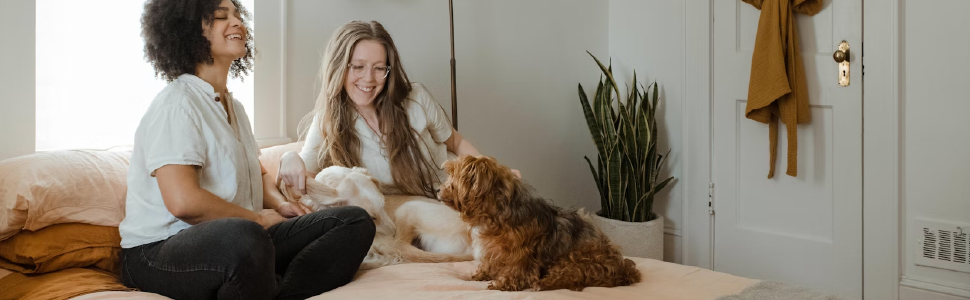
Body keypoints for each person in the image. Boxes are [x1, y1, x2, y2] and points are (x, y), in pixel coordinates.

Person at [118, 1, 375, 299]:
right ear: (189, 29)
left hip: (242, 240)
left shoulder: (234, 107)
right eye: (220, 16)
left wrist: (279, 205)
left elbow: (259, 171)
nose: (237, 22)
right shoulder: (177, 104)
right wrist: (258, 219)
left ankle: (277, 290)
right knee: (246, 238)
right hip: (158, 251)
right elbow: (183, 202)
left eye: (238, 14)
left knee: (353, 221)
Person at [278, 20, 519, 198]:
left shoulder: (416, 98)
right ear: (339, 67)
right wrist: (288, 157)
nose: (369, 79)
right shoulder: (328, 119)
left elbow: (455, 143)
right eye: (358, 67)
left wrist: (496, 174)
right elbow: (304, 177)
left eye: (379, 68)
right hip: (400, 215)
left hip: (450, 198)